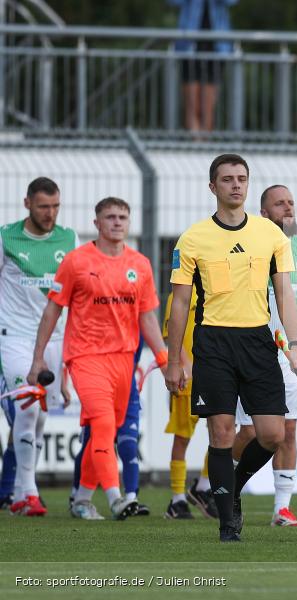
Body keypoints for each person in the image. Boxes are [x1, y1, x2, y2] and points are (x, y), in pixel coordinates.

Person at [164, 153, 297, 543]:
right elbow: (178, 303)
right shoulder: (192, 238)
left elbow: (285, 294)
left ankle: (230, 488)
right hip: (213, 343)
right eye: (227, 179)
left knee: (273, 434)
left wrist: (294, 343)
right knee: (222, 433)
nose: (236, 185)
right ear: (213, 187)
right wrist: (174, 361)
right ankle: (228, 524)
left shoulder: (270, 235)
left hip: (258, 342)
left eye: (242, 178)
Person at [29, 197, 167, 521]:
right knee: (104, 425)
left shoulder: (141, 265)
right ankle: (117, 498)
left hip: (123, 360)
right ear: (97, 224)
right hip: (86, 356)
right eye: (110, 217)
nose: (117, 222)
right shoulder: (76, 261)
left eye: (122, 217)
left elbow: (147, 316)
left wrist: (163, 356)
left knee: (100, 430)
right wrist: (39, 359)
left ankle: (81, 499)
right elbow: (53, 310)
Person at [232, 184, 297, 527]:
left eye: (291, 203)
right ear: (264, 213)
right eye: (279, 204)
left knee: (289, 431)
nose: (288, 208)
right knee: (250, 433)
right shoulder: (250, 246)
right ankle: (220, 484)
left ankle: (282, 508)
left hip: (288, 356)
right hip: (252, 352)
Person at [0, 177, 78, 516]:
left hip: (55, 339)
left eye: (56, 206)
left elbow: (72, 295)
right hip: (14, 337)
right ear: (27, 203)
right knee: (28, 409)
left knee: (39, 418)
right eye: (44, 206)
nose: (51, 213)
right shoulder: (6, 237)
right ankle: (28, 493)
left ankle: (16, 492)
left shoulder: (68, 239)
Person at [70, 338, 151, 517]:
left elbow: (149, 324)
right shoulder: (98, 317)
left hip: (125, 385)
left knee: (128, 446)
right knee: (96, 438)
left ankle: (130, 499)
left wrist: (165, 358)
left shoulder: (137, 316)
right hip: (98, 379)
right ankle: (97, 497)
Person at [161, 289, 217, 520]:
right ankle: (177, 500)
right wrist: (185, 363)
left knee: (221, 433)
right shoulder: (178, 294)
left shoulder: (217, 288)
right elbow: (169, 332)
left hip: (216, 374)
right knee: (182, 437)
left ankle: (203, 486)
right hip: (189, 378)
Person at [170, 0, 237, 132]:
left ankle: (204, 144)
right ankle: (195, 143)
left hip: (217, 46)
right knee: (191, 104)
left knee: (208, 106)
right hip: (188, 44)